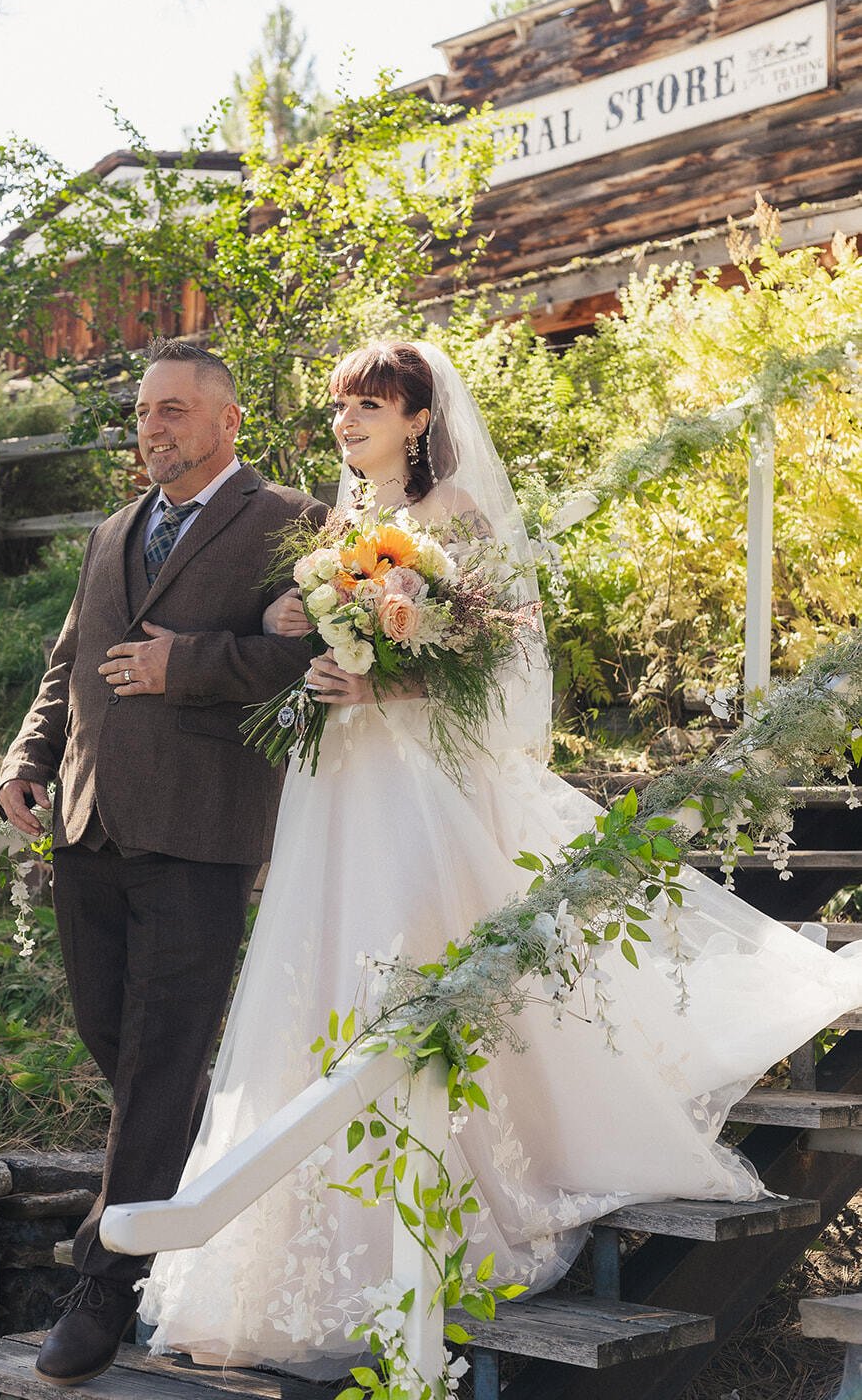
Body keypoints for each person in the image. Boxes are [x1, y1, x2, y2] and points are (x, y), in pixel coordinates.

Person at [141, 338, 862, 1379]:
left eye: (371, 408)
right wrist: (291, 617)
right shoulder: (333, 522)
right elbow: (301, 630)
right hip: (333, 785)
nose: (348, 425)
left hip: (414, 786)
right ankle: (278, 1260)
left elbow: (498, 665)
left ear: (419, 420)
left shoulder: (453, 524)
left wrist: (382, 682)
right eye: (341, 408)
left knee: (412, 971)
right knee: (313, 983)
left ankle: (446, 1206)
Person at [0, 338, 326, 1387]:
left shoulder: (294, 524)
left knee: (162, 1051)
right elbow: (68, 663)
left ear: (228, 422)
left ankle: (105, 1282)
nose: (153, 427)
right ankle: (191, 1183)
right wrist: (25, 757)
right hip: (88, 826)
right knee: (122, 1039)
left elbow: (313, 659)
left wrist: (184, 663)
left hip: (201, 826)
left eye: (175, 410)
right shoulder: (109, 533)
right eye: (145, 411)